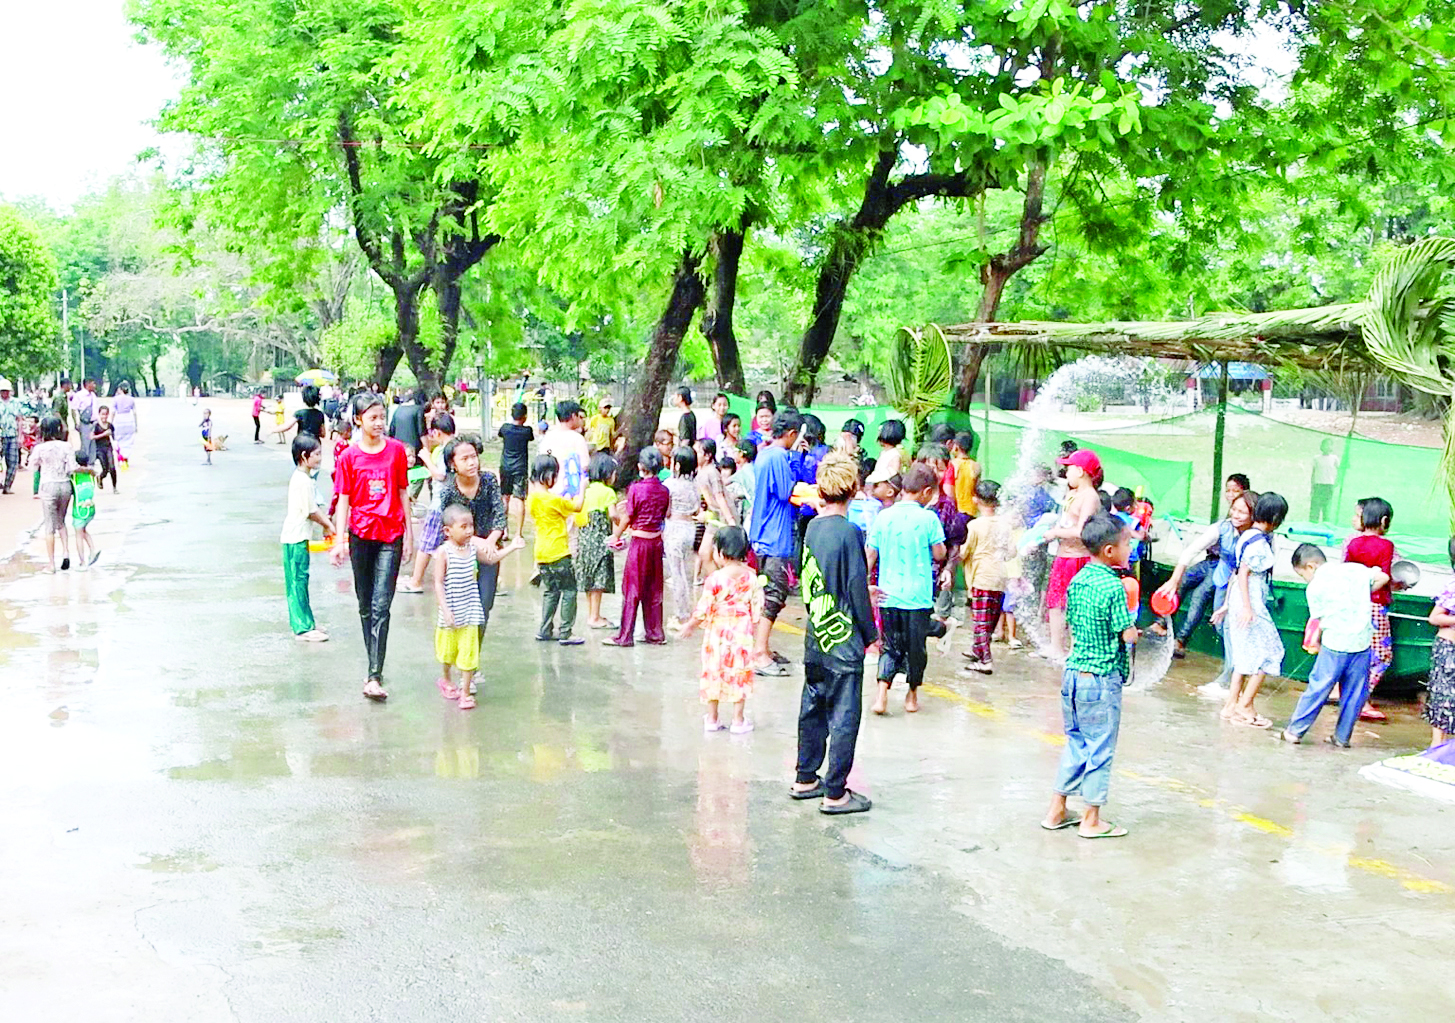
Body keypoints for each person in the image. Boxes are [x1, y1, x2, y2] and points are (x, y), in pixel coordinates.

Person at [1042, 514, 1137, 840]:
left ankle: (1057, 809)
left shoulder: (1079, 579)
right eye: (1127, 544)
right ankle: (1091, 818)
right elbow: (1125, 633)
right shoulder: (1113, 586)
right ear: (1110, 550)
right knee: (1100, 747)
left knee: (1077, 742)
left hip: (1073, 675)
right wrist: (1134, 631)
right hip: (1100, 679)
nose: (1130, 549)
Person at [791, 453, 876, 814]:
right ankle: (836, 792)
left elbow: (810, 574)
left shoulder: (812, 527)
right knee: (844, 714)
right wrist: (871, 634)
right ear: (853, 489)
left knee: (812, 705)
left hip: (816, 634)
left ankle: (805, 776)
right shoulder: (850, 532)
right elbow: (855, 585)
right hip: (843, 639)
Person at [331, 392, 415, 702]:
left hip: (390, 535)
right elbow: (343, 499)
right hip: (360, 536)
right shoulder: (348, 457)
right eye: (373, 418)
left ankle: (374, 675)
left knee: (382, 606)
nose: (379, 423)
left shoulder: (396, 451)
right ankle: (373, 664)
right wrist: (339, 540)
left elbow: (403, 492)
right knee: (365, 605)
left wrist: (409, 535)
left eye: (382, 417)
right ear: (358, 420)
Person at [1280, 543, 1387, 747]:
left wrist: (1315, 641)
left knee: (1319, 687)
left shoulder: (1315, 587)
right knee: (1355, 693)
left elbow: (1318, 620)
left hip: (1335, 643)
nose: (1305, 579)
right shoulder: (1354, 569)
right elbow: (1383, 578)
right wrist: (1364, 592)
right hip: (1361, 643)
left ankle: (1295, 732)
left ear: (1311, 566)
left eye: (1303, 575)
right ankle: (1342, 738)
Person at [867, 463, 946, 715]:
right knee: (915, 649)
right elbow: (939, 553)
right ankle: (911, 697)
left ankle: (881, 697)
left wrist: (864, 583)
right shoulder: (929, 518)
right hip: (918, 597)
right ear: (926, 492)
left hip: (888, 595)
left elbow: (870, 553)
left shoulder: (884, 516)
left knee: (890, 646)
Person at [432, 504, 523, 710]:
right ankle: (446, 679)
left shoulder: (473, 549)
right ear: (447, 531)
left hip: (470, 611)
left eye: (471, 526)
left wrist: (511, 547)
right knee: (447, 652)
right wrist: (445, 609)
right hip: (451, 612)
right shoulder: (444, 552)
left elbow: (491, 559)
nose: (469, 531)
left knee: (469, 653)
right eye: (463, 527)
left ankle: (465, 693)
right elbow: (438, 582)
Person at [672, 525, 761, 734]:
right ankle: (738, 720)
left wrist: (689, 626)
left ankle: (712, 719)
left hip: (717, 632)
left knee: (714, 670)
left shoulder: (715, 579)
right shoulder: (752, 578)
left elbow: (703, 609)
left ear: (721, 552)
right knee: (740, 671)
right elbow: (757, 610)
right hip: (741, 631)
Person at [1212, 491, 1288, 728]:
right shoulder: (1258, 542)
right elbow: (1243, 572)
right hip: (1250, 601)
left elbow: (1236, 572)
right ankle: (1245, 705)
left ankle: (1231, 705)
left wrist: (1227, 604)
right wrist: (1246, 607)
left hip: (1240, 599)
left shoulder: (1246, 535)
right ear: (1275, 518)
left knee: (1244, 655)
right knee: (1270, 652)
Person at [1153, 473, 1249, 659]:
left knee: (1200, 594)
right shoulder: (1224, 524)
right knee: (1183, 580)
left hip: (1225, 567)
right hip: (1210, 561)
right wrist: (1174, 579)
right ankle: (1161, 623)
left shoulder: (1251, 531)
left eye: (1235, 491)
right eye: (1228, 491)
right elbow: (1191, 550)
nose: (1230, 495)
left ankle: (1181, 640)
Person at [748, 410, 803, 675]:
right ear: (791, 434)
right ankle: (759, 652)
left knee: (764, 593)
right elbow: (785, 492)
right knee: (774, 595)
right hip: (775, 536)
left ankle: (762, 647)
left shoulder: (764, 454)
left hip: (761, 532)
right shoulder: (780, 457)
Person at [606, 448, 670, 647]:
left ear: (641, 466)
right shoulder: (664, 490)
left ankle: (625, 635)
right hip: (656, 542)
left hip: (639, 543)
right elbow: (666, 514)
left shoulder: (636, 488)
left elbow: (628, 517)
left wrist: (616, 535)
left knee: (632, 588)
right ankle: (655, 633)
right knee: (654, 588)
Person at [1044, 448, 1104, 659]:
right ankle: (1056, 647)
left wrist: (1055, 533)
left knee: (1075, 605)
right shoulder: (1073, 493)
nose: (1066, 473)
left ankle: (1074, 649)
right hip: (1063, 556)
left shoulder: (1090, 497)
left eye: (1069, 468)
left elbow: (1082, 531)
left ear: (1080, 471)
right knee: (1055, 602)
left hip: (1079, 558)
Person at [1344, 497, 1397, 722]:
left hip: (1352, 604)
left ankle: (1351, 696)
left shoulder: (1353, 544)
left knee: (1356, 651)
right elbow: (1384, 575)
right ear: (1384, 521)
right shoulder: (1386, 545)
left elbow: (1346, 572)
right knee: (1381, 655)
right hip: (1375, 606)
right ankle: (1361, 699)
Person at [528, 453, 587, 645]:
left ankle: (544, 629)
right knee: (569, 590)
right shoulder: (553, 500)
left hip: (541, 553)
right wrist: (582, 488)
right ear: (548, 475)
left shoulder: (532, 498)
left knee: (551, 590)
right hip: (559, 552)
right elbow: (577, 506)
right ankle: (566, 632)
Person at [280, 434, 334, 642]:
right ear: (304, 456)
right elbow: (311, 511)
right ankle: (302, 628)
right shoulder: (303, 481)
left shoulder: (304, 478)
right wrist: (328, 525)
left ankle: (306, 622)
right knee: (297, 583)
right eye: (317, 454)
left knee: (301, 580)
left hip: (298, 537)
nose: (320, 458)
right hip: (295, 538)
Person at [961, 480, 1012, 674]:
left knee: (980, 622)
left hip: (982, 577)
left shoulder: (975, 525)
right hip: (1000, 577)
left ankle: (985, 661)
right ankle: (977, 649)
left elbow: (965, 552)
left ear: (976, 500)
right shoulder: (1005, 525)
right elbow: (1012, 552)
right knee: (990, 620)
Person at [32, 416, 84, 572]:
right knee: (61, 521)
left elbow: (32, 466)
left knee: (49, 526)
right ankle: (66, 553)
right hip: (65, 485)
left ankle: (51, 564)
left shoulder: (40, 448)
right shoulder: (66, 446)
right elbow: (73, 467)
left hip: (48, 486)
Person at [577, 452, 619, 630]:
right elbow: (613, 514)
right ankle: (595, 617)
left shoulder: (586, 490)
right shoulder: (608, 492)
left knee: (589, 578)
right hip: (600, 542)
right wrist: (620, 519)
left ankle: (592, 613)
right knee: (598, 581)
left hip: (585, 540)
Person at [664, 447, 700, 629]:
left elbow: (667, 511)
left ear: (677, 464)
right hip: (689, 528)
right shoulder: (694, 485)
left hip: (674, 528)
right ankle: (686, 611)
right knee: (684, 572)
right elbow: (697, 508)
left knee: (676, 574)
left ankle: (682, 615)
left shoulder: (670, 484)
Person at [1424, 538, 1455, 749]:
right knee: (1443, 694)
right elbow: (1434, 617)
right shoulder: (1452, 586)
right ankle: (1436, 746)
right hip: (1448, 647)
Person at [694, 437, 735, 583]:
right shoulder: (702, 472)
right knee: (705, 553)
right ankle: (720, 583)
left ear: (707, 455)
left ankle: (724, 584)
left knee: (719, 556)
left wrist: (730, 520)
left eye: (697, 452)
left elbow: (720, 497)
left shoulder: (711, 472)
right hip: (714, 517)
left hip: (722, 517)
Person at [539, 400, 590, 501]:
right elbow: (585, 465)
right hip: (571, 492)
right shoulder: (577, 438)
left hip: (550, 489)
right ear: (573, 416)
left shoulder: (548, 437)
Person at [497, 402, 535, 537]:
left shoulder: (505, 428)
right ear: (525, 416)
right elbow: (531, 438)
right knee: (520, 499)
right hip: (520, 468)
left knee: (504, 498)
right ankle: (518, 533)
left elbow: (500, 434)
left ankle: (504, 530)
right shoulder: (527, 431)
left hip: (505, 467)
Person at [70, 452, 99, 569]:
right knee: (83, 531)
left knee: (78, 535)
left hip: (79, 511)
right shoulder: (91, 475)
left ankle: (82, 562)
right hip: (91, 509)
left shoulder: (74, 476)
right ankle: (92, 551)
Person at [1310, 438, 1340, 523]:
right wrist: (1312, 486)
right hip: (1318, 485)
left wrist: (1337, 481)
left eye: (1329, 445)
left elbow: (1339, 471)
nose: (1327, 447)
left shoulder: (1334, 458)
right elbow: (1313, 473)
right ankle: (1313, 523)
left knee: (1326, 507)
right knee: (1315, 506)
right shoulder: (1316, 458)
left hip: (1329, 485)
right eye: (1325, 444)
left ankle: (1325, 524)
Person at [950, 431, 980, 515]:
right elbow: (977, 488)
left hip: (956, 510)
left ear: (956, 446)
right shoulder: (976, 466)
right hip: (971, 510)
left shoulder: (952, 464)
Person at [0, 378, 21, 494]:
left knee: (13, 462)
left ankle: (7, 486)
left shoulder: (15, 403)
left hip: (12, 435)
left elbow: (19, 419)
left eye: (6, 391)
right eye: (3, 391)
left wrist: (20, 436)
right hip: (0, 435)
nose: (5, 393)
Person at [91, 406, 118, 492]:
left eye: (106, 414)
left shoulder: (110, 425)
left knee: (112, 467)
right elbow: (91, 437)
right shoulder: (96, 425)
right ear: (99, 415)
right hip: (99, 449)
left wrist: (117, 446)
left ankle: (114, 487)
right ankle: (100, 477)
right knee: (105, 469)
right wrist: (104, 434)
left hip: (108, 447)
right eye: (102, 414)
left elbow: (113, 437)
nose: (104, 416)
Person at [112, 382, 138, 452]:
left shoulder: (116, 399)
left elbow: (113, 412)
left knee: (118, 439)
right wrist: (136, 425)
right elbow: (134, 413)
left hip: (119, 419)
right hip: (129, 420)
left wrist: (110, 423)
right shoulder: (131, 399)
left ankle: (120, 454)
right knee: (128, 440)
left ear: (120, 389)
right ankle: (126, 455)